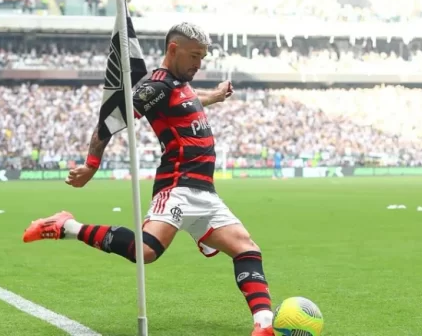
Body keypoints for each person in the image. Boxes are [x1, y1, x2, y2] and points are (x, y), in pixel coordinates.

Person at [22, 23, 275, 336]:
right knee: (146, 252)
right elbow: (111, 120)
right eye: (195, 56)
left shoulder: (181, 83)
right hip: (178, 186)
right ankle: (65, 227)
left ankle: (263, 325)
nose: (199, 63)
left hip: (206, 193)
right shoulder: (156, 86)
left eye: (203, 57)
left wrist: (216, 96)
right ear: (173, 50)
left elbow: (190, 100)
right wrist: (91, 164)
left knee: (246, 249)